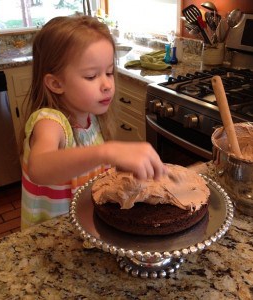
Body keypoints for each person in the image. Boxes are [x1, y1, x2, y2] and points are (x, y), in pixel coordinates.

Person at [21, 15, 166, 230]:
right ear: (56, 83)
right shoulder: (50, 122)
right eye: (91, 76)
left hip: (84, 226)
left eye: (109, 72)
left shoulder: (92, 119)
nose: (107, 84)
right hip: (52, 237)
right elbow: (39, 168)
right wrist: (108, 151)